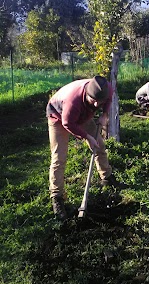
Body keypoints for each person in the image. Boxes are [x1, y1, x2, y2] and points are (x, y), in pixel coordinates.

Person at [46, 75, 121, 220]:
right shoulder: (72, 101)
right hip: (58, 115)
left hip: (82, 115)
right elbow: (68, 123)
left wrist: (104, 113)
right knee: (59, 158)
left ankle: (107, 178)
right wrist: (86, 136)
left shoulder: (106, 89)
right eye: (93, 101)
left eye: (99, 102)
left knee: (99, 145)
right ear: (87, 93)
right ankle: (57, 197)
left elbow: (109, 99)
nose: (95, 105)